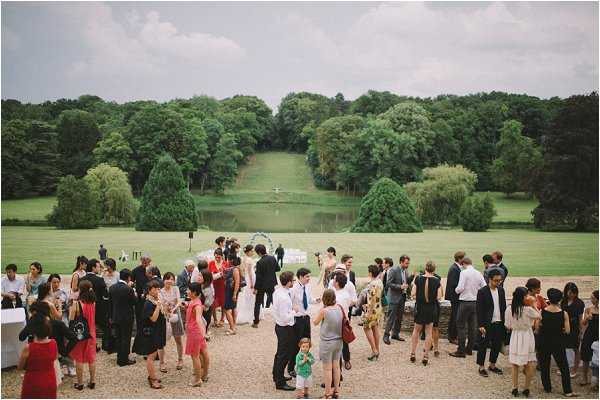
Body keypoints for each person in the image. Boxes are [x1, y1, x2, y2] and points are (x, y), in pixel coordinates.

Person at [538, 288, 576, 396]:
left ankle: (547, 388)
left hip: (544, 341)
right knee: (563, 367)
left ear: (549, 298)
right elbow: (568, 331)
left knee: (545, 365)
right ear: (559, 300)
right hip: (558, 342)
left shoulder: (542, 311)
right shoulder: (563, 314)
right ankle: (567, 390)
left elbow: (537, 326)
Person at [505, 286, 541, 398]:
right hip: (527, 335)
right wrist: (534, 305)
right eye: (526, 295)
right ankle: (526, 388)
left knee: (515, 364)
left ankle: (514, 387)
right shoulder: (528, 309)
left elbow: (508, 325)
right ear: (523, 297)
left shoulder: (509, 309)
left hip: (515, 335)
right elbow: (539, 316)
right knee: (529, 363)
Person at [133, 280, 167, 390]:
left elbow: (163, 314)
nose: (158, 290)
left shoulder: (154, 300)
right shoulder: (148, 303)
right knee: (151, 357)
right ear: (149, 290)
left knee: (153, 354)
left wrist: (163, 306)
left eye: (158, 288)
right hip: (150, 333)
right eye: (155, 289)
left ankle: (152, 376)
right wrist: (158, 306)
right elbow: (153, 319)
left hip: (155, 332)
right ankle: (152, 380)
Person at [450, 257, 486, 358]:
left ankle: (461, 350)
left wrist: (456, 290)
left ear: (464, 264)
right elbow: (484, 286)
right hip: (475, 302)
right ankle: (469, 349)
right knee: (472, 327)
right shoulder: (478, 273)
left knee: (461, 325)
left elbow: (460, 288)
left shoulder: (464, 273)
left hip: (465, 302)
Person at [289, 267, 320, 376]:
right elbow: (289, 303)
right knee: (295, 345)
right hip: (297, 320)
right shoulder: (293, 289)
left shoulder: (307, 287)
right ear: (301, 277)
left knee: (307, 343)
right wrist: (293, 309)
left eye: (309, 276)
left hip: (306, 318)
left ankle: (303, 363)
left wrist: (316, 300)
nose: (309, 278)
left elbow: (309, 299)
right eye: (307, 276)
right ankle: (291, 367)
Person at [475, 269, 507, 377]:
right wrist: (481, 325)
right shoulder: (482, 292)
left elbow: (503, 307)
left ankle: (492, 365)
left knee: (496, 345)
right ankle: (481, 367)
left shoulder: (501, 291)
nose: (498, 282)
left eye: (499, 280)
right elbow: (479, 310)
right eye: (496, 280)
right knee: (483, 345)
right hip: (487, 323)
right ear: (490, 279)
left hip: (499, 322)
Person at [18, 313, 58, 399]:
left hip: (33, 381)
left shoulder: (28, 348)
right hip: (50, 379)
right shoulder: (54, 343)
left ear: (34, 331)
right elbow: (54, 358)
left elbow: (20, 367)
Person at [410, 260, 442, 366]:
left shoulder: (418, 278)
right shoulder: (437, 281)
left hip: (420, 307)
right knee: (429, 332)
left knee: (416, 330)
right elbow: (439, 296)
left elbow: (413, 293)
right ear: (434, 269)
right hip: (431, 308)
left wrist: (419, 297)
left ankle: (413, 353)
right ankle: (426, 355)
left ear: (425, 268)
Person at [313, 288, 343, 399]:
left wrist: (321, 308)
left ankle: (327, 393)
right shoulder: (339, 308)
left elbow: (315, 322)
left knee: (327, 369)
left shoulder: (324, 311)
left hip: (327, 343)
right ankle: (336, 391)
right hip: (339, 341)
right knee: (336, 367)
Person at [69, 280, 97, 391]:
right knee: (91, 358)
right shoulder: (93, 303)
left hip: (80, 334)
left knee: (79, 358)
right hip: (91, 332)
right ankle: (92, 381)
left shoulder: (77, 303)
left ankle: (80, 383)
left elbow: (71, 319)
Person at [272, 271, 297, 391]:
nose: (294, 282)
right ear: (288, 282)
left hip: (280, 326)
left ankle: (277, 375)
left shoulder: (278, 291)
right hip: (285, 327)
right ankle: (280, 382)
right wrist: (294, 311)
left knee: (280, 353)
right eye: (293, 280)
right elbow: (285, 317)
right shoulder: (283, 298)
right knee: (284, 355)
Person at [328, 266, 357, 370]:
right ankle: (337, 371)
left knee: (342, 342)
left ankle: (345, 361)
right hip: (341, 314)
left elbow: (354, 300)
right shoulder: (332, 284)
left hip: (341, 317)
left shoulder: (349, 286)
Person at [108, 268, 137, 367]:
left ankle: (119, 357)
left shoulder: (112, 288)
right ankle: (123, 359)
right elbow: (134, 302)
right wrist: (133, 291)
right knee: (126, 338)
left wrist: (111, 316)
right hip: (126, 317)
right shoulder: (128, 289)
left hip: (116, 316)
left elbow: (110, 304)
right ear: (128, 278)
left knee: (119, 337)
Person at [80, 258, 109, 352]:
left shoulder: (82, 279)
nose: (99, 268)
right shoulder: (99, 280)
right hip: (99, 308)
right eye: (98, 267)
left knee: (86, 327)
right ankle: (106, 345)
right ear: (93, 268)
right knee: (106, 326)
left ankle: (88, 345)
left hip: (84, 307)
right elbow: (105, 295)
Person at [383, 255, 412, 344]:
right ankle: (386, 335)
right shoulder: (394, 270)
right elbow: (388, 284)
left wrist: (413, 277)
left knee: (399, 317)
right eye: (406, 263)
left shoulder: (405, 271)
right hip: (394, 297)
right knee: (391, 317)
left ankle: (395, 334)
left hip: (402, 297)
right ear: (401, 262)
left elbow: (406, 282)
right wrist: (400, 286)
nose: (408, 265)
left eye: (408, 263)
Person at [185, 282, 209, 387]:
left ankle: (198, 379)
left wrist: (204, 333)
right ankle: (204, 375)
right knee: (203, 353)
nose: (186, 291)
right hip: (197, 331)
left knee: (195, 356)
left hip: (195, 332)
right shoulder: (195, 301)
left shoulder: (197, 304)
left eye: (188, 290)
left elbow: (199, 319)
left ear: (194, 292)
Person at [159, 272, 185, 371]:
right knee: (162, 341)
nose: (169, 281)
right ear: (164, 280)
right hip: (165, 316)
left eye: (172, 279)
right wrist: (167, 310)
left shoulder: (176, 289)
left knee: (178, 338)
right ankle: (162, 363)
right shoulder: (160, 291)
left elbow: (179, 301)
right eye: (167, 279)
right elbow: (161, 304)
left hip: (175, 314)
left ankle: (180, 359)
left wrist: (173, 309)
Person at [561, 282, 585, 378]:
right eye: (568, 292)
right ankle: (563, 367)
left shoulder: (579, 303)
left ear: (575, 293)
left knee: (575, 348)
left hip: (574, 327)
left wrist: (581, 331)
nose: (569, 294)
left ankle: (575, 369)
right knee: (562, 347)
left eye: (572, 293)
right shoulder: (563, 301)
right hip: (563, 327)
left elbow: (580, 318)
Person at [253, 244, 279, 328]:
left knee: (257, 303)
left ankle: (256, 322)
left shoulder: (259, 262)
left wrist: (256, 288)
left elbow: (258, 277)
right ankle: (279, 318)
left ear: (259, 252)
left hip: (261, 285)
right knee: (274, 301)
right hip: (271, 283)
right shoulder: (272, 258)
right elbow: (278, 268)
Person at [362, 264, 384, 361]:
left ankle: (374, 349)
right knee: (375, 328)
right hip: (378, 308)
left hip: (373, 309)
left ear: (370, 273)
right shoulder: (379, 282)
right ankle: (377, 350)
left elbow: (373, 299)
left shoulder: (372, 284)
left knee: (366, 327)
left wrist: (369, 311)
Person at [445, 251, 465, 344]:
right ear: (459, 259)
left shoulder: (456, 268)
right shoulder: (454, 269)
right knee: (455, 317)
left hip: (456, 297)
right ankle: (452, 336)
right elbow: (454, 284)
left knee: (455, 316)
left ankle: (452, 335)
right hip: (455, 297)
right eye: (463, 258)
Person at [580, 290, 599, 386]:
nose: (591, 300)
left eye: (593, 298)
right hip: (589, 334)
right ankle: (584, 377)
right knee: (586, 355)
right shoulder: (588, 309)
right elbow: (583, 323)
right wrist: (587, 317)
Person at [236, 244, 256, 325]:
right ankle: (249, 314)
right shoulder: (249, 260)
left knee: (247, 296)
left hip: (247, 278)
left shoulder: (244, 258)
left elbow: (243, 271)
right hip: (250, 278)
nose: (253, 252)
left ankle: (249, 313)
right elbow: (250, 272)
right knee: (250, 296)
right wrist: (251, 283)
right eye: (252, 251)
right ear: (248, 252)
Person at [208, 248, 229, 328]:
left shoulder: (225, 263)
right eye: (215, 257)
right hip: (214, 286)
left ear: (222, 256)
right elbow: (209, 275)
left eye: (218, 257)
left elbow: (228, 275)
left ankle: (222, 319)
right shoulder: (211, 263)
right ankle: (215, 319)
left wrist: (223, 272)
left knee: (223, 303)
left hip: (223, 286)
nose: (217, 259)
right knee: (213, 303)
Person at [224, 253, 242, 335]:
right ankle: (233, 325)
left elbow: (237, 283)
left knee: (227, 309)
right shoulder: (233, 268)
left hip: (231, 292)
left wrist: (234, 294)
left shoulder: (235, 270)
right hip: (231, 291)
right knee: (233, 308)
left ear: (230, 260)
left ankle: (232, 328)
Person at [197, 268, 214, 340]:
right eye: (198, 275)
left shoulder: (208, 289)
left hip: (205, 310)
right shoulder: (202, 285)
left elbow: (208, 303)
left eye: (200, 276)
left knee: (204, 325)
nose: (198, 277)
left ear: (206, 278)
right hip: (201, 308)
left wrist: (200, 307)